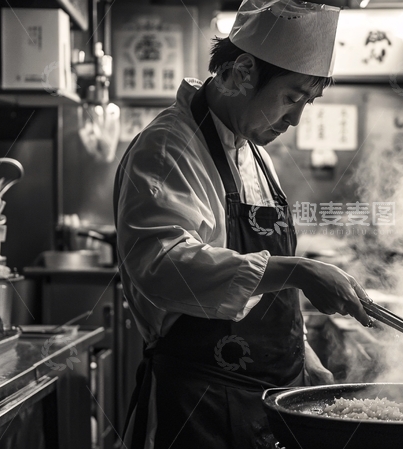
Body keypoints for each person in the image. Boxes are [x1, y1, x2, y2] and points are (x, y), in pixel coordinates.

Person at [113, 1, 371, 447]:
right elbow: (162, 266)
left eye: (307, 103)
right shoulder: (168, 147)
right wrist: (298, 270)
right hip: (198, 408)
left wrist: (302, 354)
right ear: (244, 71)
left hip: (267, 404)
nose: (296, 119)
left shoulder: (256, 156)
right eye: (292, 98)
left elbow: (266, 293)